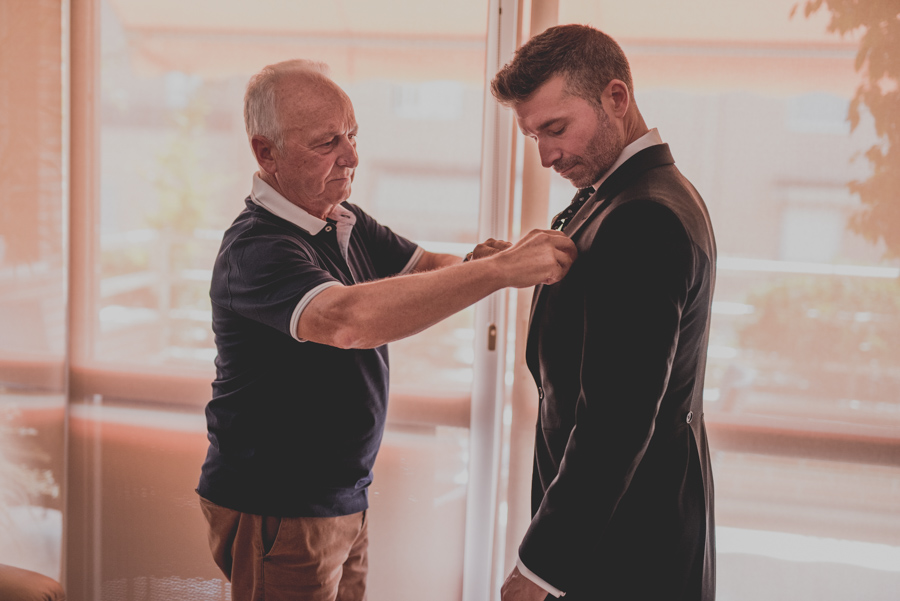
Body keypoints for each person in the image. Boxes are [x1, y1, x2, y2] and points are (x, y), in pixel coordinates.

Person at [196, 59, 577, 601]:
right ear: (266, 153)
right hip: (278, 504)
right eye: (327, 142)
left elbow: (426, 270)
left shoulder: (342, 219)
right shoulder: (257, 249)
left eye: (352, 134)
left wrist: (491, 261)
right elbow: (349, 320)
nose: (351, 156)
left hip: (340, 496)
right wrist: (496, 272)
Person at [491, 25, 717, 601]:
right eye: (533, 134)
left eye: (555, 128)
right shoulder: (635, 192)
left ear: (616, 98)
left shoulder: (644, 217)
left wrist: (538, 569)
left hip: (626, 548)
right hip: (626, 530)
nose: (545, 155)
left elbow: (615, 421)